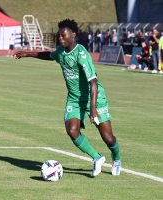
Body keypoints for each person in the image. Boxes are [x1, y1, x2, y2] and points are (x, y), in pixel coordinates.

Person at [13, 19, 121, 177]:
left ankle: (116, 158)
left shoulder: (81, 54)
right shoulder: (61, 52)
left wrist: (93, 110)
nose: (60, 38)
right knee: (72, 130)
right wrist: (28, 53)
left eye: (63, 36)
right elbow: (49, 55)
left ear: (73, 35)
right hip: (74, 99)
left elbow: (93, 83)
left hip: (94, 99)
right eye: (59, 36)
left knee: (108, 137)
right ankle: (97, 158)